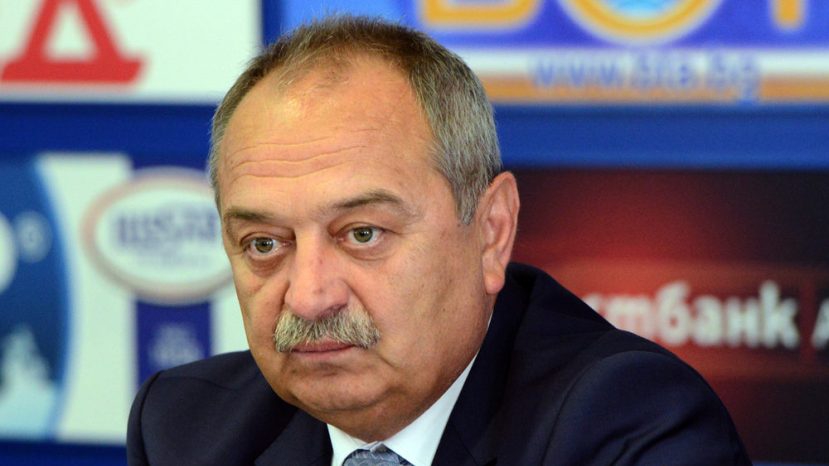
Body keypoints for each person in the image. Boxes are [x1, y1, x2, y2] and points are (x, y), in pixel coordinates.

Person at [127, 15, 751, 466]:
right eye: (265, 244)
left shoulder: (626, 424)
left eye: (362, 234)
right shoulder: (184, 429)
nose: (309, 297)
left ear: (491, 232)